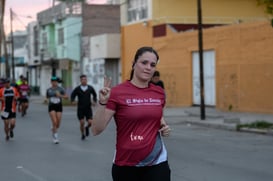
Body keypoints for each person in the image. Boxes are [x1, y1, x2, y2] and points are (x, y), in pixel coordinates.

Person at [92, 46, 171, 181]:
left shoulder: (158, 92)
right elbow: (96, 129)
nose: (148, 68)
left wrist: (163, 126)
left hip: (157, 161)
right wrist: (102, 103)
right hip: (126, 164)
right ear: (134, 64)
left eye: (153, 65)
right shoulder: (117, 92)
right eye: (144, 63)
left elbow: (157, 116)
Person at [70, 74, 97, 140]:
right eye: (83, 79)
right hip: (80, 108)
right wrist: (72, 101)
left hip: (88, 108)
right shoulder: (78, 89)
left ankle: (87, 127)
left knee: (90, 122)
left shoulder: (90, 88)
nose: (84, 81)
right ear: (80, 80)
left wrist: (94, 101)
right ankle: (83, 134)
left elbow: (94, 95)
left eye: (85, 79)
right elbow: (72, 95)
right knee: (82, 122)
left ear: (87, 80)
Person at [46, 76, 68, 144]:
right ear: (51, 82)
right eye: (53, 81)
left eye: (55, 81)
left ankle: (53, 127)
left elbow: (66, 97)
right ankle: (55, 137)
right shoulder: (49, 90)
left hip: (59, 106)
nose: (54, 83)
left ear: (57, 82)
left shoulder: (61, 89)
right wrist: (47, 100)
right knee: (54, 121)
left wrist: (60, 96)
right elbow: (47, 97)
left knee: (58, 124)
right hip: (51, 106)